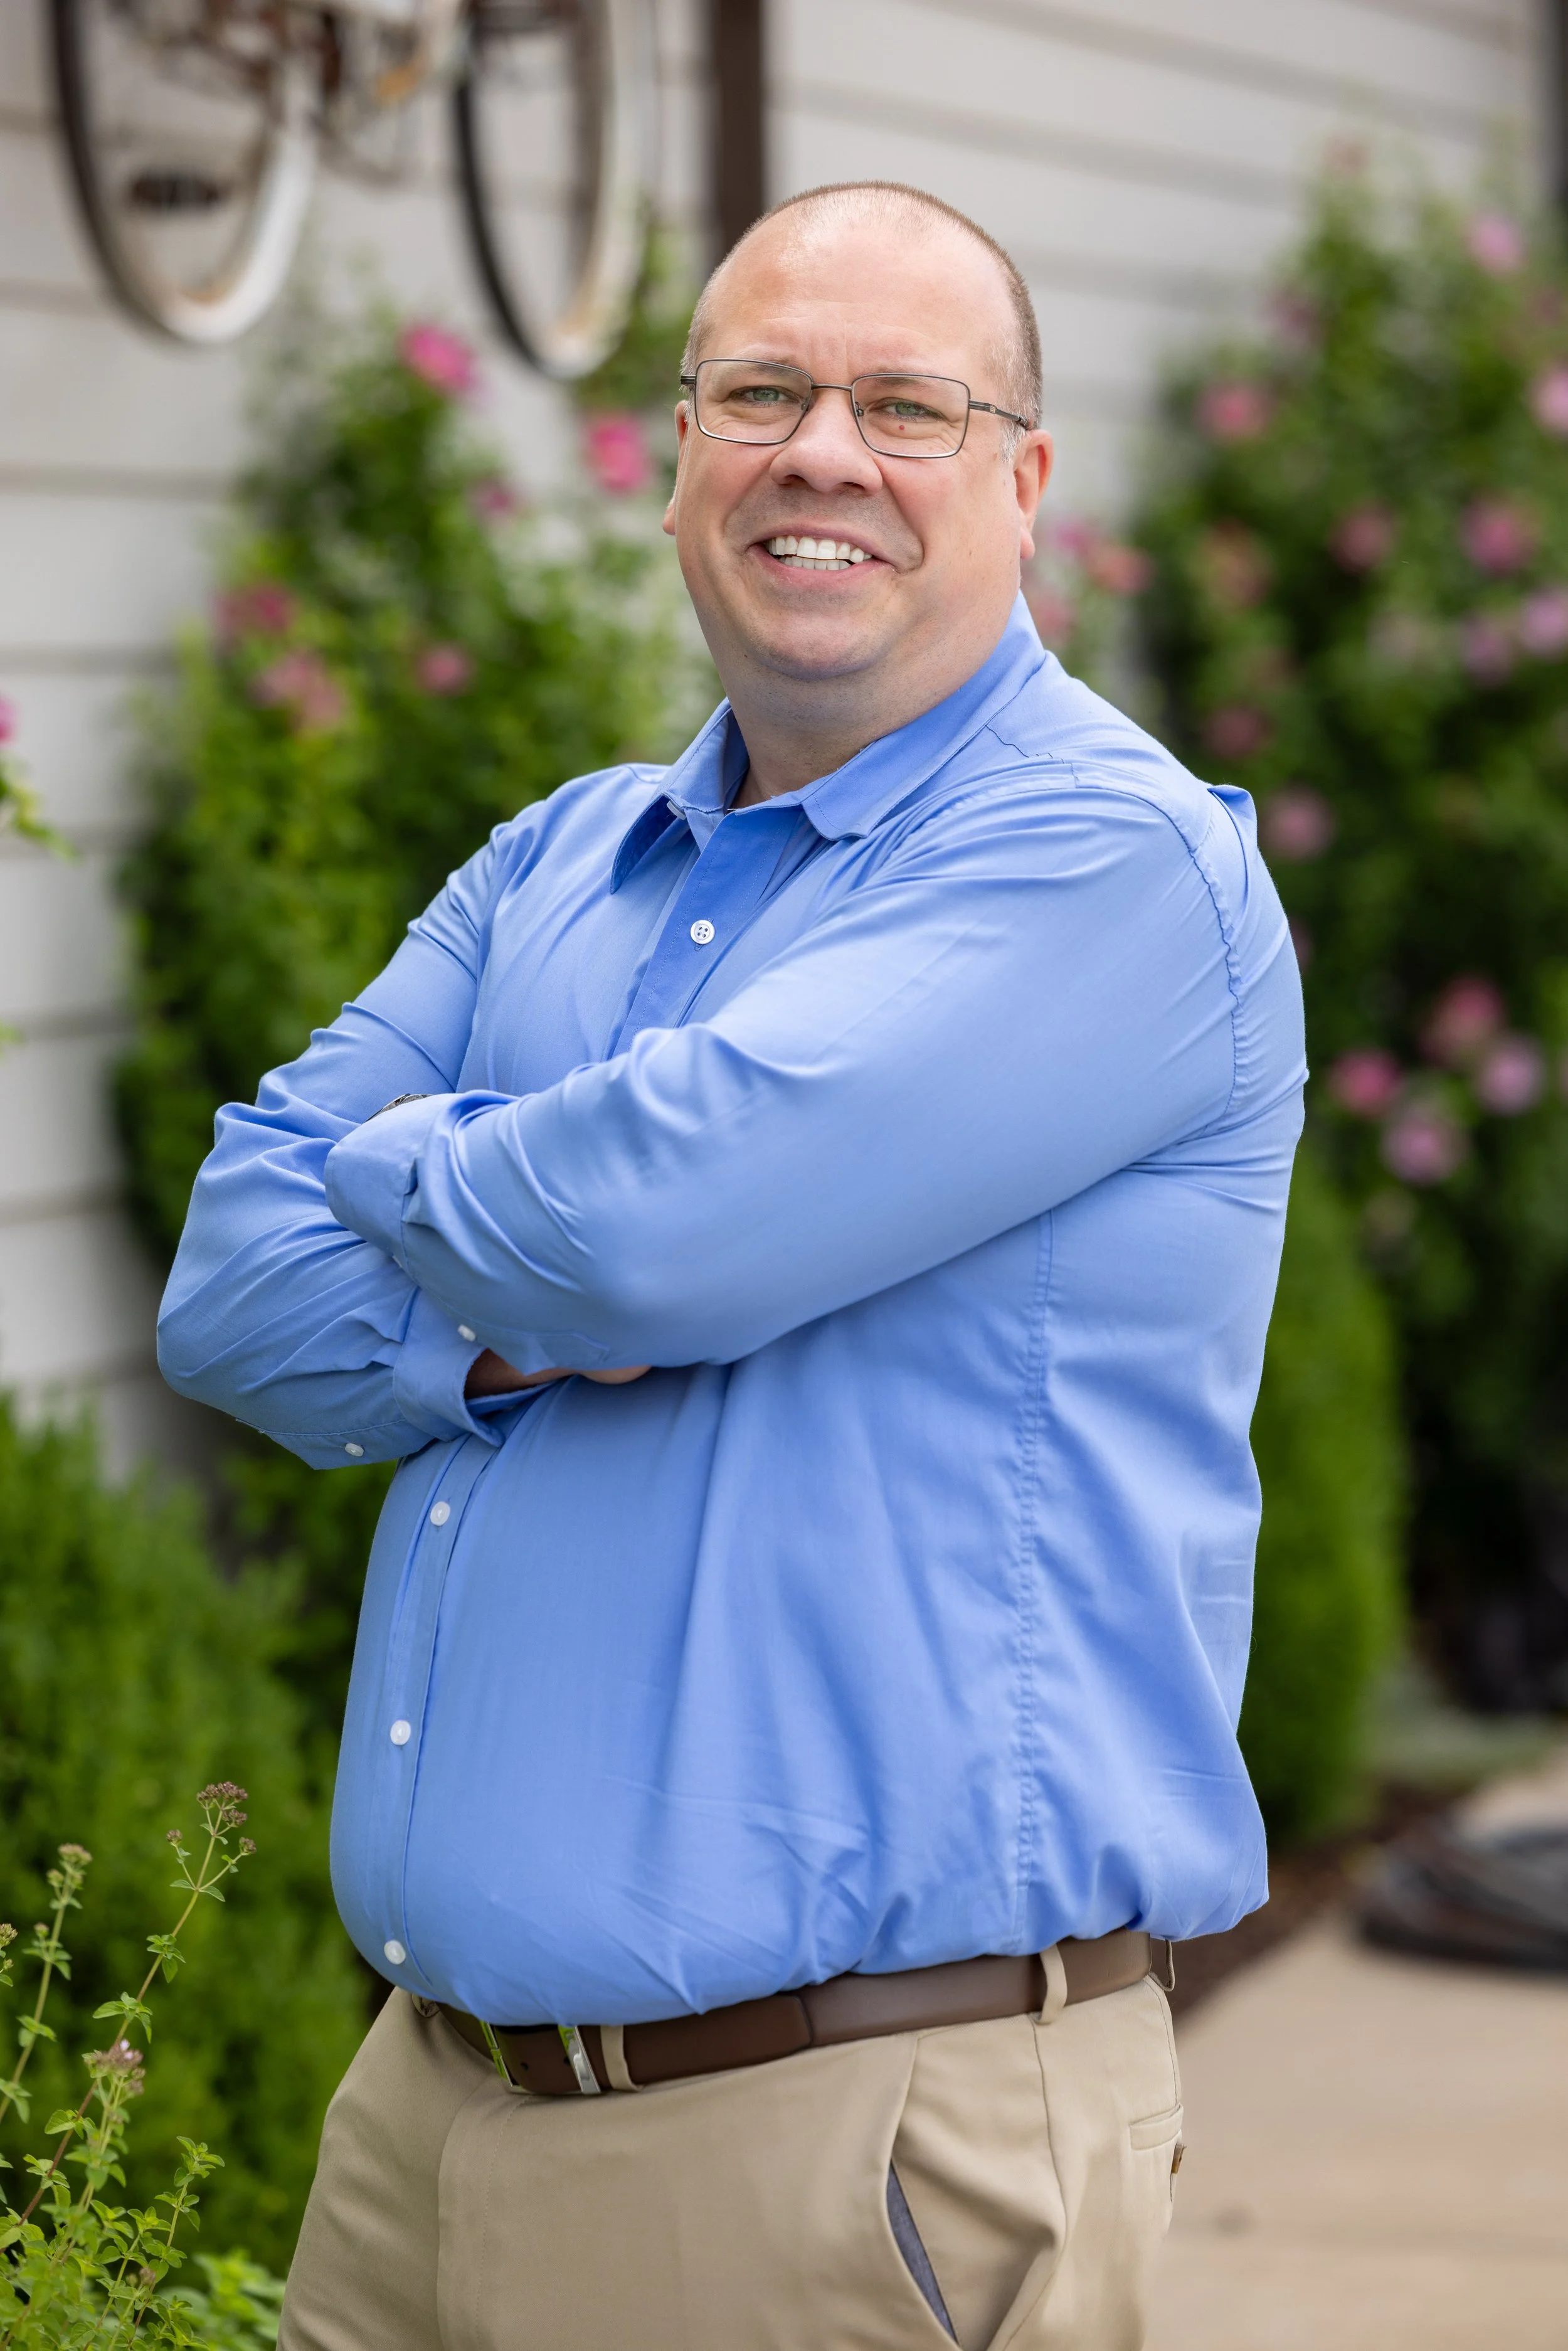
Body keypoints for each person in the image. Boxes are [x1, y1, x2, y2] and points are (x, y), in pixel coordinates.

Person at [159, 180, 1305, 2351]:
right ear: (683, 452)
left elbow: (633, 1230)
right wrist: (503, 1345)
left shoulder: (1110, 865)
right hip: (421, 2118)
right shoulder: (560, 856)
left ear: (1025, 479)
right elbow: (234, 1278)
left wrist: (415, 1162)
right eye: (760, 390)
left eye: (908, 405)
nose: (823, 453)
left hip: (829, 2144)